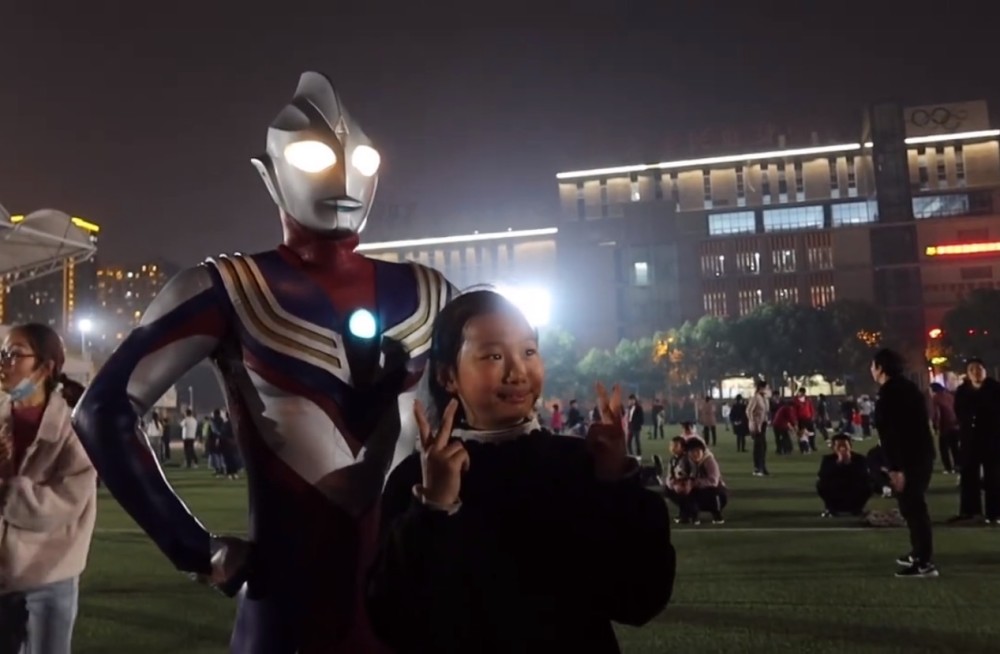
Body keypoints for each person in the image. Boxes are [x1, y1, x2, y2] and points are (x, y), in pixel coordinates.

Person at [72, 71, 456, 652]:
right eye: (311, 156)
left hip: (405, 602)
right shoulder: (229, 287)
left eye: (363, 160)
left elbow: (489, 423)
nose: (343, 177)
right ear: (269, 174)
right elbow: (102, 410)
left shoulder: (429, 291)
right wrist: (193, 547)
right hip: (288, 606)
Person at [367, 289, 675, 653]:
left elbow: (639, 599)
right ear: (448, 375)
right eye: (494, 356)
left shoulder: (579, 463)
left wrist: (616, 482)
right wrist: (434, 507)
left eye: (529, 351)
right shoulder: (418, 479)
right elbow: (395, 621)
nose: (517, 372)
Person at [0, 323, 95, 654]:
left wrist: (7, 491)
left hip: (51, 576)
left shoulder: (75, 429)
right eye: (2, 354)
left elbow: (64, 504)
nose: (4, 362)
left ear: (45, 367)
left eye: (14, 354)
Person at [871, 348, 939, 578]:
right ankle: (918, 552)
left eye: (873, 366)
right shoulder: (907, 388)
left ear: (880, 368)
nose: (871, 370)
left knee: (914, 508)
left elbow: (893, 435)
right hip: (919, 456)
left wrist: (897, 468)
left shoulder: (890, 394)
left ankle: (924, 562)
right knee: (911, 507)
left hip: (910, 460)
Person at [952, 358, 1000, 524]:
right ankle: (970, 511)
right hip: (970, 439)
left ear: (985, 370)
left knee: (993, 476)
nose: (975, 373)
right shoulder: (962, 391)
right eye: (971, 370)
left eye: (978, 369)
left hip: (992, 438)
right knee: (968, 475)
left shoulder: (995, 389)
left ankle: (995, 513)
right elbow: (959, 412)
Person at [817, 434, 871, 517]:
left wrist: (849, 463)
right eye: (838, 446)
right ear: (833, 447)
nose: (842, 448)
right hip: (835, 487)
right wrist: (838, 463)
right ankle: (831, 509)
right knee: (821, 484)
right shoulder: (828, 459)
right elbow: (823, 475)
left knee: (869, 484)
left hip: (854, 486)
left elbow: (864, 475)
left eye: (845, 445)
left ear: (850, 446)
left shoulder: (860, 458)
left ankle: (857, 509)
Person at [681, 438, 727, 524]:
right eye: (692, 451)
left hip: (712, 490)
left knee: (715, 491)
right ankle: (690, 514)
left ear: (703, 451)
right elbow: (680, 475)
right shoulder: (686, 461)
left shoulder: (709, 461)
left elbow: (713, 481)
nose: (695, 454)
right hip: (696, 489)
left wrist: (694, 483)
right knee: (680, 491)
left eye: (698, 451)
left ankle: (716, 512)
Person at [929, 382, 960, 475]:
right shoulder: (950, 396)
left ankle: (948, 468)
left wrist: (935, 425)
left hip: (945, 426)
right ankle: (958, 466)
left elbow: (937, 413)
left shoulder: (936, 398)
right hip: (955, 425)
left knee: (944, 448)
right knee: (955, 447)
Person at [747, 380, 770, 476]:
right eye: (767, 388)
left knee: (763, 446)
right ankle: (757, 468)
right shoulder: (755, 398)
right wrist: (753, 422)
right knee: (758, 447)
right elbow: (749, 411)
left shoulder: (765, 398)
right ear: (761, 388)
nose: (768, 390)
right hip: (757, 425)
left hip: (763, 423)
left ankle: (763, 467)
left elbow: (765, 411)